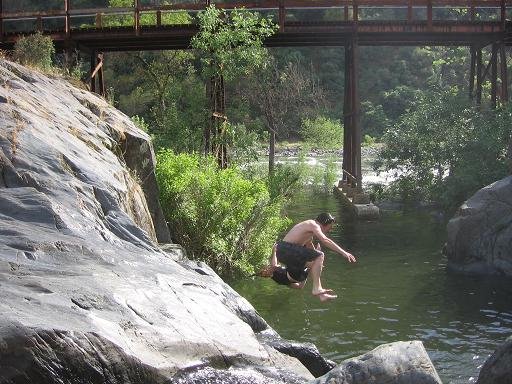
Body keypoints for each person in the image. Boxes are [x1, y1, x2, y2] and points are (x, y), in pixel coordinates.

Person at [258, 213, 356, 302]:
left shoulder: (309, 231)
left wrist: (318, 263)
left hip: (285, 252)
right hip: (284, 249)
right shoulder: (313, 224)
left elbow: (309, 246)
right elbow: (325, 240)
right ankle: (316, 289)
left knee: (316, 260)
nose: (330, 230)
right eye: (330, 227)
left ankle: (321, 295)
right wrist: (343, 252)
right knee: (320, 255)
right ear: (324, 223)